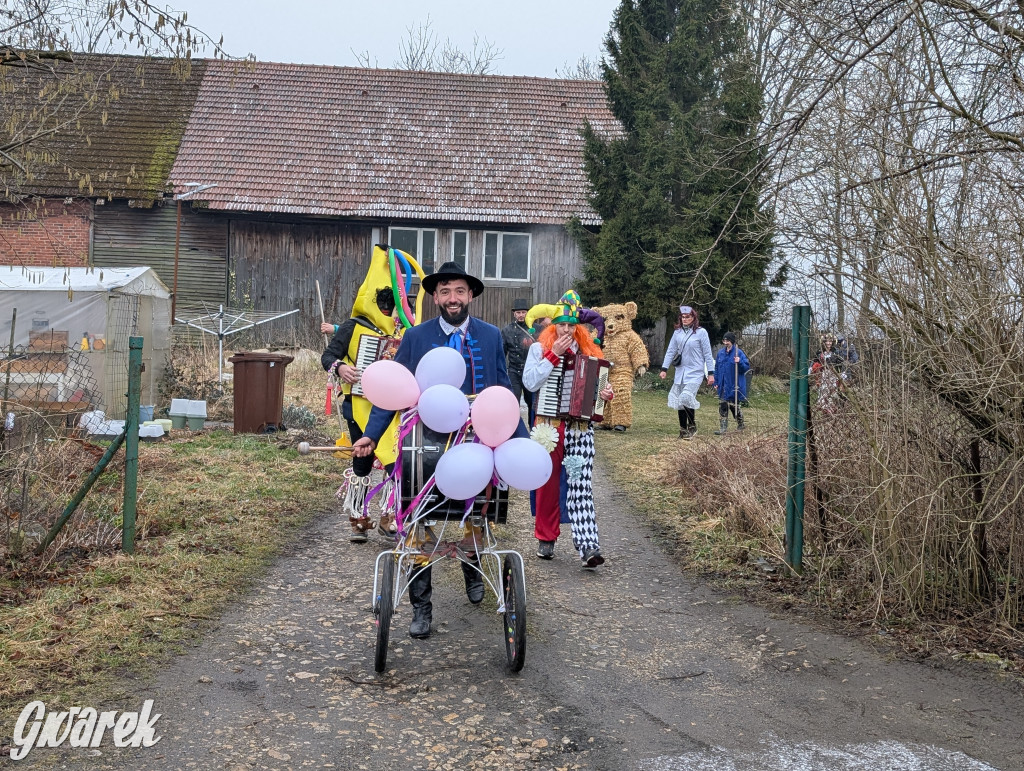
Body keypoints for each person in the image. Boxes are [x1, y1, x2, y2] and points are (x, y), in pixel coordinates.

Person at [352, 261, 528, 639]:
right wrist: (370, 434)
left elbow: (503, 392)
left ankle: (472, 568)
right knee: (419, 520)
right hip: (425, 441)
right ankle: (422, 606)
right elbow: (391, 391)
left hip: (476, 439)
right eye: (445, 291)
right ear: (435, 297)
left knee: (475, 510)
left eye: (459, 291)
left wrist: (523, 439)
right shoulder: (416, 337)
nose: (453, 298)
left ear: (470, 296)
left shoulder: (491, 335)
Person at [522, 290, 614, 568]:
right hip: (548, 426)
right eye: (561, 324)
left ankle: (588, 546)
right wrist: (553, 356)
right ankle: (546, 538)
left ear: (577, 327)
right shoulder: (538, 349)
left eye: (571, 325)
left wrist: (604, 395)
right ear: (553, 325)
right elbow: (530, 383)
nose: (566, 329)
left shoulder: (589, 352)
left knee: (580, 483)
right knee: (547, 483)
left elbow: (598, 390)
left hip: (579, 429)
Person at [322, 285, 402, 542]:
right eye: (383, 307)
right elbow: (328, 356)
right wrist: (341, 367)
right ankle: (358, 518)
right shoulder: (353, 326)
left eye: (390, 308)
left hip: (393, 408)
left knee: (394, 462)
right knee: (361, 463)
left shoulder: (403, 329)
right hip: (358, 406)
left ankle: (389, 516)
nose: (386, 312)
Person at [659, 305, 715, 439]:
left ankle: (692, 426)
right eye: (683, 317)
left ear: (693, 318)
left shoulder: (701, 332)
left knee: (686, 397)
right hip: (681, 371)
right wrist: (664, 369)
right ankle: (683, 429)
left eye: (688, 317)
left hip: (695, 371)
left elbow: (707, 353)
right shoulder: (677, 332)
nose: (685, 319)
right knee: (680, 401)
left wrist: (711, 373)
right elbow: (671, 351)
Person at [713, 332, 750, 434]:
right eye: (724, 341)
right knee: (722, 405)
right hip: (723, 385)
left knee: (734, 406)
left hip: (734, 385)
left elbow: (746, 368)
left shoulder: (739, 353)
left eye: (727, 341)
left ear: (732, 342)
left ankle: (741, 424)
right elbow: (717, 368)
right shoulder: (720, 353)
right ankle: (723, 428)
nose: (725, 343)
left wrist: (740, 362)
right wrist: (716, 381)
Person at [501, 298, 534, 407]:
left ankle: (532, 424)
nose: (521, 315)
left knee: (532, 402)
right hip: (514, 371)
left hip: (530, 370)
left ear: (527, 313)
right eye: (518, 312)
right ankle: (513, 424)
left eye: (523, 312)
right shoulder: (507, 330)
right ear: (514, 314)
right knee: (513, 401)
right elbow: (502, 353)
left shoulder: (535, 329)